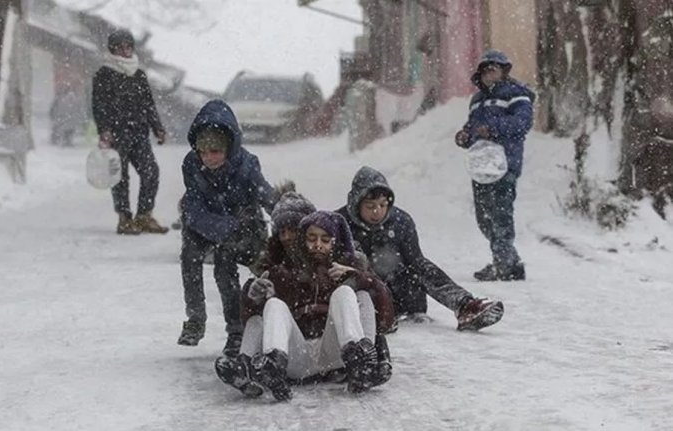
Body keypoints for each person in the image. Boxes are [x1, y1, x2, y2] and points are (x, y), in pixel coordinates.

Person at [216, 211, 395, 401]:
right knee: (274, 304)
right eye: (312, 239)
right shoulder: (283, 272)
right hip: (298, 354)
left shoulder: (346, 267)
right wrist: (252, 295)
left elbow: (386, 318)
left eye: (325, 240)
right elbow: (252, 319)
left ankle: (359, 357)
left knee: (346, 293)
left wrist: (357, 276)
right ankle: (274, 363)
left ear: (335, 242)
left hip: (334, 352)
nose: (318, 245)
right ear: (302, 240)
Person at [177, 99, 289, 356]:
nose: (209, 158)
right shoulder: (192, 166)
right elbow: (193, 209)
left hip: (244, 226)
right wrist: (222, 226)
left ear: (228, 147)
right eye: (203, 152)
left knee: (225, 266)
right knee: (189, 256)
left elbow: (265, 195)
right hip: (207, 225)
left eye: (215, 151)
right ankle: (195, 318)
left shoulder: (247, 165)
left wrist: (288, 217)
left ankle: (236, 329)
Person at [337, 166, 504, 331]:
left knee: (418, 266)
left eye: (382, 205)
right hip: (360, 297)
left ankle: (464, 305)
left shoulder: (400, 222)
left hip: (401, 297)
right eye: (370, 206)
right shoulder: (338, 223)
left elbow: (417, 263)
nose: (377, 211)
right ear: (356, 203)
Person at [455, 49, 535, 281]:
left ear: (503, 71)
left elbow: (522, 122)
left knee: (501, 215)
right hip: (482, 166)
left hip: (505, 163)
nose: (490, 73)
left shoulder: (516, 93)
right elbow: (473, 127)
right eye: (486, 70)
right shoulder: (477, 100)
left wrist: (494, 130)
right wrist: (465, 136)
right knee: (484, 217)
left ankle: (503, 264)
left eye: (494, 69)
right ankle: (510, 261)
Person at [92, 29, 168, 235]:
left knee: (151, 171)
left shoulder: (138, 74)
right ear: (113, 49)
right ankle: (124, 218)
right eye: (121, 47)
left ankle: (144, 215)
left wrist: (157, 128)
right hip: (117, 134)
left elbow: (149, 105)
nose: (125, 51)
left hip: (139, 132)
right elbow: (99, 106)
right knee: (120, 176)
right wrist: (105, 130)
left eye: (128, 46)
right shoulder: (104, 74)